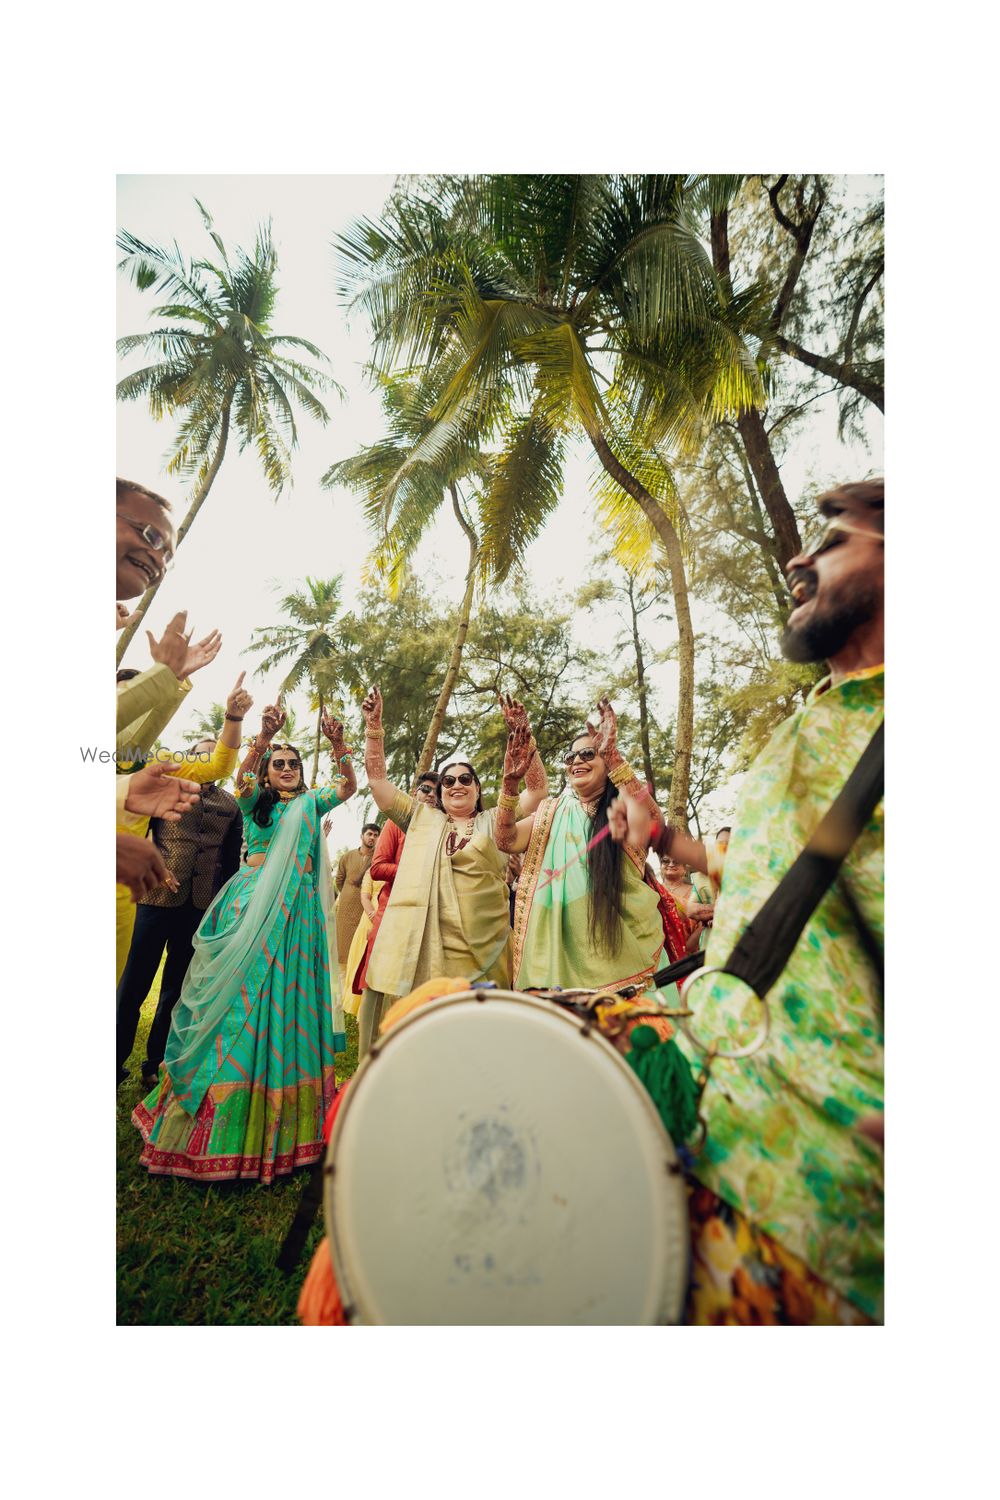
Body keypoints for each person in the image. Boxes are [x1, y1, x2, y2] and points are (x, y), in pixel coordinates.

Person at [609, 479, 885, 1325]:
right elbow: (784, 881)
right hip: (723, 1104)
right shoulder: (818, 723)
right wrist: (670, 845)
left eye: (835, 541)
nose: (800, 557)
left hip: (815, 1183)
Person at [132, 703, 357, 1184]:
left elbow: (346, 788)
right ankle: (207, 1113)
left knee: (287, 1003)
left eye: (293, 763)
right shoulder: (256, 800)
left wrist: (340, 748)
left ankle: (286, 1123)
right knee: (238, 999)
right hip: (251, 907)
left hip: (297, 920)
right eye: (280, 763)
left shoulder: (310, 803)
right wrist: (260, 737)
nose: (288, 769)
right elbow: (242, 781)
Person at [357, 690, 548, 1058]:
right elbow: (379, 786)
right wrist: (373, 728)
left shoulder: (495, 820)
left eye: (466, 779)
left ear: (477, 790)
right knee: (428, 1029)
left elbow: (538, 791)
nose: (457, 785)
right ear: (440, 793)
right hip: (428, 945)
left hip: (487, 945)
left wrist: (526, 739)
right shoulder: (422, 819)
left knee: (483, 1035)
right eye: (449, 781)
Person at [494, 699, 685, 1020]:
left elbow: (655, 822)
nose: (577, 761)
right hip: (558, 966)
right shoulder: (552, 812)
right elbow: (507, 839)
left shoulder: (621, 810)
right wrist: (510, 785)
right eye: (571, 757)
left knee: (636, 1055)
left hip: (623, 961)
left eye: (588, 754)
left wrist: (614, 758)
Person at [116, 735, 243, 1091]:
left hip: (199, 907)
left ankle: (154, 1064)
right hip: (153, 899)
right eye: (200, 757)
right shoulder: (164, 792)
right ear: (190, 760)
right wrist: (155, 864)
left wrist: (223, 904)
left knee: (175, 992)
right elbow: (139, 832)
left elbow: (230, 861)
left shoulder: (231, 806)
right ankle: (112, 1065)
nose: (207, 763)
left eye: (213, 758)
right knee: (132, 987)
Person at [114, 673, 250, 989]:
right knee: (131, 985)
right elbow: (148, 831)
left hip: (184, 901)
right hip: (152, 896)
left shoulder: (224, 803)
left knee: (170, 988)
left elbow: (220, 766)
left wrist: (233, 717)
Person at [354, 771, 440, 1000]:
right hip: (393, 907)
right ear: (415, 793)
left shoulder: (445, 827)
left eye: (436, 790)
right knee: (381, 972)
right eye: (426, 789)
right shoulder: (396, 824)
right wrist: (413, 870)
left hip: (433, 911)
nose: (431, 795)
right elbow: (378, 867)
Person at [334, 825, 379, 991]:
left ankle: (354, 994)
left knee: (359, 953)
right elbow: (339, 880)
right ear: (362, 836)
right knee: (342, 954)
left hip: (364, 912)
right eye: (369, 834)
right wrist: (348, 894)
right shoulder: (347, 857)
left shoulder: (378, 858)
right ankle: (341, 996)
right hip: (345, 912)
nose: (372, 838)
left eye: (375, 835)